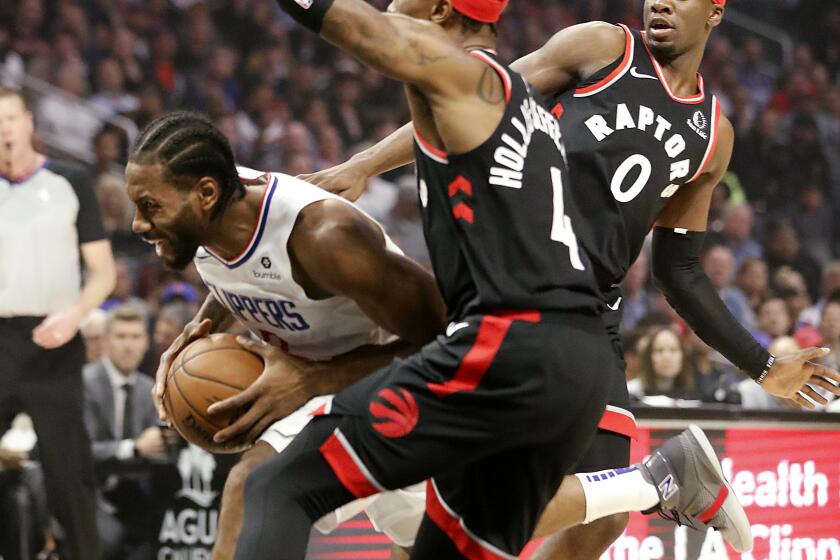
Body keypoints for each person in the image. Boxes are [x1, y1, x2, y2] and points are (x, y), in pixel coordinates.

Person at [218, 0, 797, 557]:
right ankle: (660, 478)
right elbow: (470, 92)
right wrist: (363, 165)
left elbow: (681, 269)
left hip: (588, 314)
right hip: (509, 287)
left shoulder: (712, 135)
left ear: (716, 12)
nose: (661, 4)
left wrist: (763, 364)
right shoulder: (603, 47)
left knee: (591, 518)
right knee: (435, 508)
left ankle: (659, 479)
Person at [123, 112, 446, 560]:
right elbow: (238, 268)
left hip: (396, 383)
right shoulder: (207, 205)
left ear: (206, 195)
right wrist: (198, 334)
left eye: (150, 206)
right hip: (319, 386)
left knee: (258, 486)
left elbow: (447, 338)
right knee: (254, 486)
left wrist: (311, 380)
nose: (138, 224)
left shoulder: (324, 236)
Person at [0, 86, 116, 560]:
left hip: (55, 341)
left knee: (70, 477)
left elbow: (104, 273)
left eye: (10, 118)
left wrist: (75, 316)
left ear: (30, 122)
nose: (3, 129)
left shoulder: (70, 181)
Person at [83, 305, 171, 560]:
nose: (128, 346)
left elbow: (160, 448)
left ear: (146, 342)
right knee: (109, 539)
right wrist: (134, 448)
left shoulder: (150, 389)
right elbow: (79, 452)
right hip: (92, 495)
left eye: (135, 337)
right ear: (106, 340)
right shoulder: (84, 383)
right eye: (121, 337)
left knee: (163, 537)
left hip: (136, 496)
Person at [627, 327, 700, 400]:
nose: (666, 357)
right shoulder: (631, 392)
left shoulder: (692, 393)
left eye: (673, 350)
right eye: (659, 350)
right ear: (648, 357)